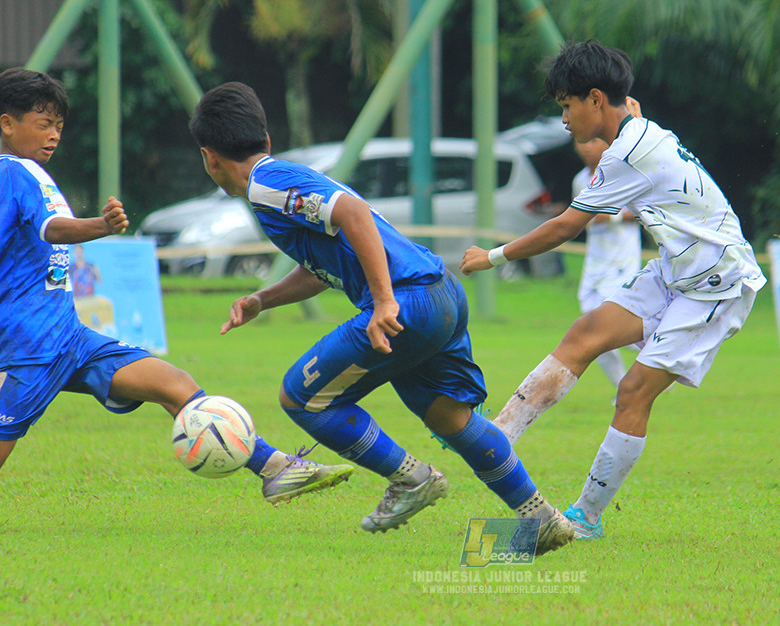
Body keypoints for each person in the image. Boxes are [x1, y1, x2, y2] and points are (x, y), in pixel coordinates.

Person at [188, 82, 573, 553]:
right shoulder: (281, 180)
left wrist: (385, 301)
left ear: (209, 158)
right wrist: (263, 299)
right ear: (265, 140)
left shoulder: (266, 185)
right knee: (450, 417)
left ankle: (412, 479)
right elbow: (326, 264)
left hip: (408, 302)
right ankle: (542, 518)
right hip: (441, 292)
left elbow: (353, 214)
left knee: (301, 397)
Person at [0, 68, 354, 507]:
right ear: (6, 123)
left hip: (67, 338)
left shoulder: (24, 174)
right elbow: (52, 228)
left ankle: (275, 468)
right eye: (42, 123)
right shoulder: (16, 173)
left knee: (175, 384)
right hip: (33, 345)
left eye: (58, 125)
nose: (53, 135)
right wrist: (101, 225)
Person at [460, 40, 766, 540]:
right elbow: (633, 115)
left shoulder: (626, 154)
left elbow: (563, 229)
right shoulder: (638, 124)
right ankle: (494, 439)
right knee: (585, 333)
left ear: (596, 99)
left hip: (717, 285)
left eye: (566, 105)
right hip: (676, 271)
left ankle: (585, 517)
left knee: (632, 392)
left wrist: (490, 257)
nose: (563, 120)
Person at [571, 137, 642, 390]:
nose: (587, 147)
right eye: (582, 142)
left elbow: (643, 212)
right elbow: (577, 220)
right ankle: (624, 386)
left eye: (593, 141)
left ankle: (663, 356)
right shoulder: (580, 180)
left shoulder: (623, 173)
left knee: (607, 327)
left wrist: (610, 218)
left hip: (622, 262)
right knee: (592, 327)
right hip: (595, 263)